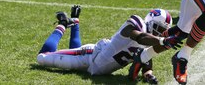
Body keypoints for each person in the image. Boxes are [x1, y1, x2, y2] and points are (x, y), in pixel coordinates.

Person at [37, 5, 182, 84]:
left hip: (95, 66)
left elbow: (145, 61)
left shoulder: (148, 42)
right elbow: (139, 37)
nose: (160, 33)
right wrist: (162, 41)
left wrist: (149, 75)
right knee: (42, 58)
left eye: (163, 31)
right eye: (160, 28)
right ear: (150, 21)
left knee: (71, 51)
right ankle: (63, 24)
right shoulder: (137, 24)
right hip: (90, 56)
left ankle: (74, 21)